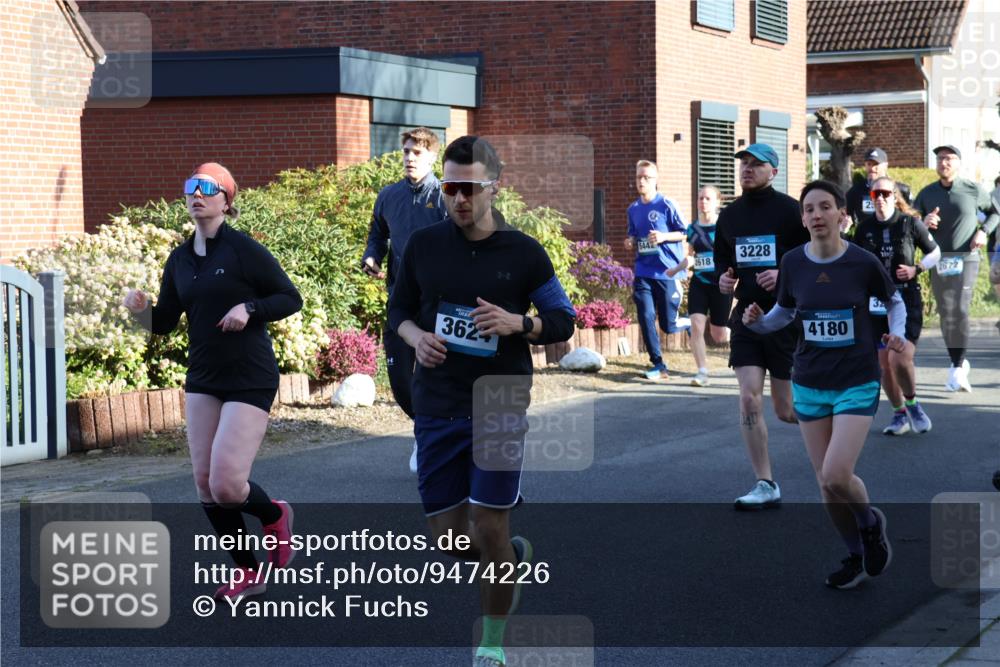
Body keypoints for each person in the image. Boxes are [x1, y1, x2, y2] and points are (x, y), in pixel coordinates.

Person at [387, 136, 576, 667]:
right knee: (451, 544)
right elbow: (397, 312)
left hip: (498, 403)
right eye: (451, 188)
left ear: (494, 186)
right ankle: (509, 560)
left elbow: (562, 319)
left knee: (490, 525)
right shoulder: (424, 247)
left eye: (470, 188)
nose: (459, 199)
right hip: (437, 406)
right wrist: (415, 338)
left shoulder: (523, 252)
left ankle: (491, 644)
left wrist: (521, 322)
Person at [123, 163, 302, 600]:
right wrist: (140, 309)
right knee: (204, 483)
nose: (196, 194)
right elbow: (165, 321)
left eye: (208, 188)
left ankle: (275, 514)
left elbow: (289, 297)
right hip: (203, 377)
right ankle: (247, 571)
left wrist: (250, 309)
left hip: (249, 377)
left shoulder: (243, 250)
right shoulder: (179, 260)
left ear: (226, 200)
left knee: (226, 484)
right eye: (190, 187)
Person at [744, 180, 898, 589]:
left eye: (824, 207)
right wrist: (758, 323)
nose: (815, 215)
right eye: (808, 209)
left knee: (835, 473)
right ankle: (855, 555)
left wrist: (897, 336)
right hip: (810, 380)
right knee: (825, 484)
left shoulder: (862, 262)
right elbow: (784, 313)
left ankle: (870, 522)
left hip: (856, 380)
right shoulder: (793, 262)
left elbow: (894, 300)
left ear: (842, 215)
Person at [714, 143, 810, 509]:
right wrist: (724, 282)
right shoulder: (730, 215)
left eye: (756, 165)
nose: (747, 170)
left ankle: (833, 430)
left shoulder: (791, 211)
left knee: (786, 410)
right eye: (743, 164)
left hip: (785, 318)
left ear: (774, 171)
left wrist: (783, 270)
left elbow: (812, 257)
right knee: (748, 397)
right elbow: (725, 265)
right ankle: (765, 483)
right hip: (747, 319)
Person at [363, 127, 449, 473]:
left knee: (435, 373)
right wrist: (372, 257)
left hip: (438, 302)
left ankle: (432, 435)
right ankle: (425, 428)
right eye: (407, 152)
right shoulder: (388, 195)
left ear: (432, 157)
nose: (410, 158)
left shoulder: (445, 196)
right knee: (400, 380)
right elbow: (377, 233)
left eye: (418, 152)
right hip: (400, 299)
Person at [853, 177, 939, 435]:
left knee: (899, 358)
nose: (880, 198)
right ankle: (899, 414)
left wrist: (917, 268)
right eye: (875, 194)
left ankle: (912, 403)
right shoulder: (864, 228)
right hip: (875, 304)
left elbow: (936, 252)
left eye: (885, 194)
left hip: (905, 299)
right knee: (883, 365)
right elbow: (854, 261)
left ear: (894, 197)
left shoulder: (910, 223)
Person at [913, 145, 999, 392]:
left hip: (967, 257)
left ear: (958, 163)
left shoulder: (973, 189)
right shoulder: (927, 193)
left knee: (960, 308)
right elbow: (912, 221)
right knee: (946, 311)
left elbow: (995, 214)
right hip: (939, 259)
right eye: (940, 158)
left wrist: (983, 232)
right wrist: (924, 222)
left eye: (949, 158)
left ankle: (957, 367)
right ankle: (957, 361)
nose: (944, 163)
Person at [624, 160, 688, 380]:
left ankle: (688, 321)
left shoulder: (667, 204)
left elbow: (684, 232)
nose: (641, 181)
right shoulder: (633, 209)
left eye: (646, 177)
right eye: (638, 177)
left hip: (667, 272)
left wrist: (663, 237)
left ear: (655, 180)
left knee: (669, 326)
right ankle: (658, 365)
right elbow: (633, 233)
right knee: (646, 314)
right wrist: (630, 241)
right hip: (643, 271)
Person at [677, 185, 732, 386]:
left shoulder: (725, 228)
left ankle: (738, 337)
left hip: (721, 284)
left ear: (718, 202)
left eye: (708, 198)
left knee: (718, 335)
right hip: (699, 283)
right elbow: (691, 256)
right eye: (700, 198)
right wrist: (676, 270)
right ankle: (702, 372)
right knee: (697, 325)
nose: (703, 202)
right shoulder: (692, 229)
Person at [845, 147, 911, 233]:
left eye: (876, 164)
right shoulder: (856, 191)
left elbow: (910, 215)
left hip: (895, 238)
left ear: (885, 166)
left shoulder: (901, 190)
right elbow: (847, 217)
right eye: (869, 164)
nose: (872, 168)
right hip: (867, 240)